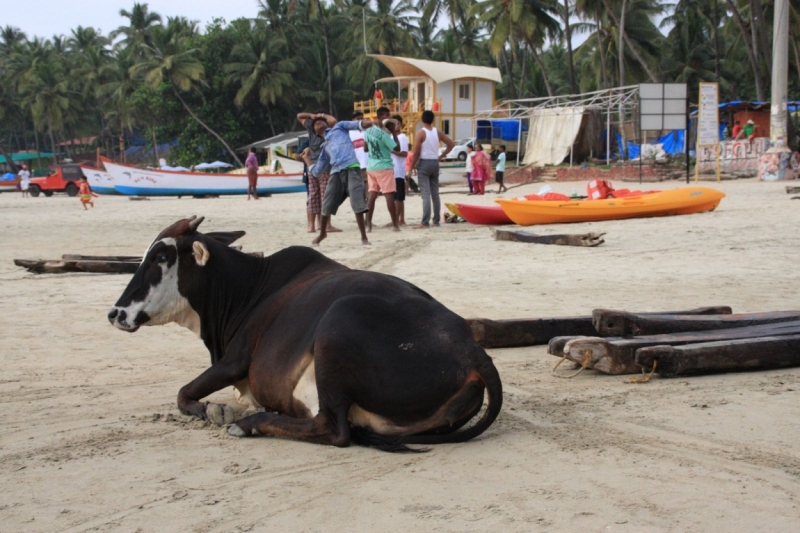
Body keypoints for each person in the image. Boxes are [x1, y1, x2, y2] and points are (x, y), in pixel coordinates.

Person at [310, 114, 374, 246]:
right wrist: (306, 161)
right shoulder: (324, 148)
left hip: (352, 168)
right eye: (315, 124)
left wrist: (366, 123)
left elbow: (357, 124)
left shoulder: (339, 127)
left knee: (357, 202)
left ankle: (364, 237)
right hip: (336, 173)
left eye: (321, 121)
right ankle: (322, 233)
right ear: (315, 133)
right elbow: (317, 171)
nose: (319, 123)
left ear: (327, 124)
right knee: (327, 204)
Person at [297, 111, 340, 234]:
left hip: (312, 167)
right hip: (323, 167)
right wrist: (322, 116)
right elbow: (333, 121)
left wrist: (312, 116)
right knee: (325, 196)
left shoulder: (311, 128)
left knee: (313, 196)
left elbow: (299, 116)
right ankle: (326, 225)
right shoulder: (326, 132)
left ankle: (311, 226)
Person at [411, 110, 454, 229]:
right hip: (435, 162)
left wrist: (410, 168)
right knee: (435, 193)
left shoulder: (420, 133)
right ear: (433, 120)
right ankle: (436, 221)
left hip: (424, 162)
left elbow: (416, 153)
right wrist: (441, 156)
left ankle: (425, 222)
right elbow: (451, 144)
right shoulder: (437, 132)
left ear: (422, 119)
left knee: (425, 193)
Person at [364, 107, 401, 232]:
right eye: (387, 115)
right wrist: (394, 133)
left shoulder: (368, 131)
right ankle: (395, 225)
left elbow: (365, 148)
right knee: (389, 195)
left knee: (372, 195)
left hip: (371, 165)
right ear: (382, 116)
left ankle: (368, 224)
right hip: (384, 166)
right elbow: (397, 149)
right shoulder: (385, 135)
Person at [391, 115, 410, 225]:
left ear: (401, 125)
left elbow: (404, 153)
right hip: (394, 169)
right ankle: (401, 219)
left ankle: (396, 220)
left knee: (397, 197)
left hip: (397, 169)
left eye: (397, 123)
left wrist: (391, 151)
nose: (395, 125)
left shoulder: (402, 137)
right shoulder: (391, 136)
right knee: (399, 196)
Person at [349, 110, 369, 187]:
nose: (360, 120)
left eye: (361, 118)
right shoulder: (349, 132)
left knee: (367, 184)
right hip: (356, 164)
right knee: (357, 186)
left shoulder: (367, 131)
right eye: (358, 118)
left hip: (368, 164)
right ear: (353, 120)